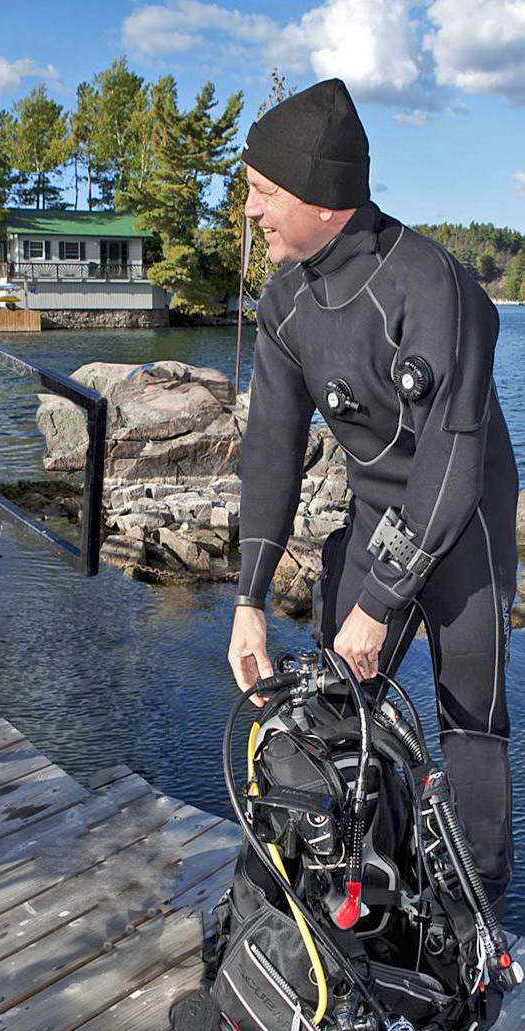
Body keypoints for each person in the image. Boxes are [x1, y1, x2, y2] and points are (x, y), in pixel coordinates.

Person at [227, 78, 517, 915]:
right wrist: (248, 599)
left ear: (321, 198)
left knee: (471, 726)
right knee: (328, 712)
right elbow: (271, 452)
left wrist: (382, 600)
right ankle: (343, 897)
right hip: (379, 517)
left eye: (262, 191)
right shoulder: (286, 301)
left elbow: (453, 463)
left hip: (466, 525)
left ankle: (476, 927)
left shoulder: (434, 288)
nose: (251, 211)